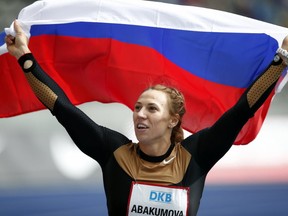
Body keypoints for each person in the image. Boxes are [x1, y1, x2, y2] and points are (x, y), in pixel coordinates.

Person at [5, 20, 288, 216]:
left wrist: (281, 59)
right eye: (138, 106)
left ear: (173, 120)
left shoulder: (197, 155)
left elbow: (242, 110)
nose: (139, 113)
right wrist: (25, 58)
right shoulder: (113, 151)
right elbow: (63, 109)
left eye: (152, 109)